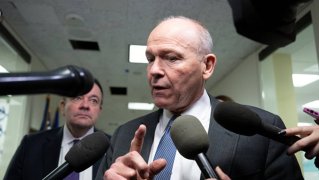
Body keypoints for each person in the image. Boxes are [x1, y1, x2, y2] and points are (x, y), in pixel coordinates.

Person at [96, 16, 303, 180]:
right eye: (150, 59)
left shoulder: (262, 131)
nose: (154, 70)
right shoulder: (124, 135)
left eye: (172, 58)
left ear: (207, 66)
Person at [4, 78, 110, 180]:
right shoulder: (30, 145)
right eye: (77, 97)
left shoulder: (114, 147)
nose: (85, 105)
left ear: (99, 110)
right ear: (62, 106)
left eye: (93, 100)